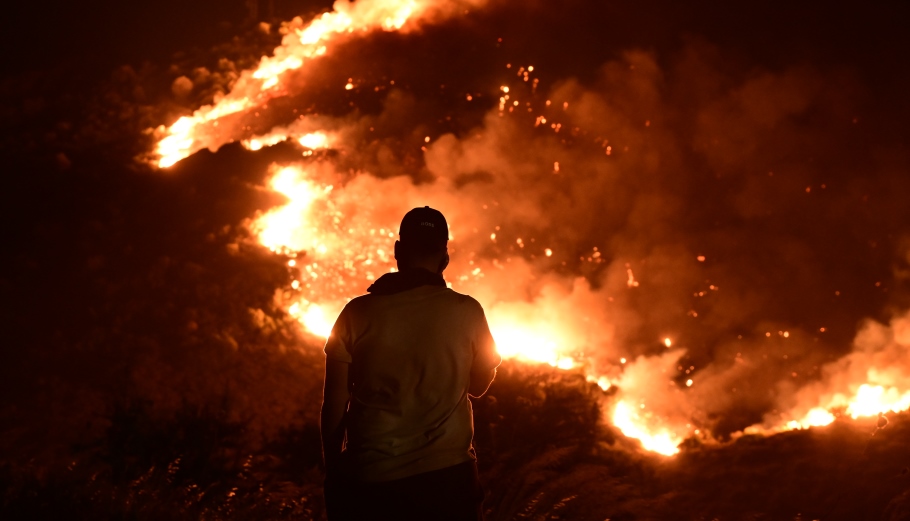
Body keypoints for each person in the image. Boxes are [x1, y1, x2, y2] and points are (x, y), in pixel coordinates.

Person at [320, 206, 501, 521]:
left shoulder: (356, 313)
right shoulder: (468, 312)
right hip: (448, 482)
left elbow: (334, 403)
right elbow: (479, 385)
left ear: (398, 250)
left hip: (373, 482)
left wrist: (334, 472)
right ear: (444, 256)